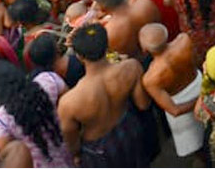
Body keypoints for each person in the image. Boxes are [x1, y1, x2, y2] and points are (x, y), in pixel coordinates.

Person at [57, 23, 152, 166]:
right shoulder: (131, 67)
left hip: (99, 149)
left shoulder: (69, 102)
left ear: (79, 56)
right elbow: (143, 104)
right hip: (129, 129)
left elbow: (73, 144)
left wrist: (77, 157)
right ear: (107, 46)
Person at [139, 23, 204, 161]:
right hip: (199, 85)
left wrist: (201, 100)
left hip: (183, 105)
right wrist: (203, 97)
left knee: (197, 143)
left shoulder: (151, 78)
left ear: (144, 49)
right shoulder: (184, 40)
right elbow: (198, 60)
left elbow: (175, 111)